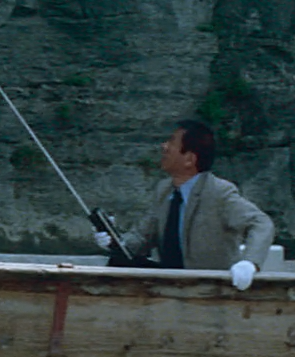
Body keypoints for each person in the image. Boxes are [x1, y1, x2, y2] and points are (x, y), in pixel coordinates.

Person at [95, 119, 275, 290]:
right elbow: (142, 239)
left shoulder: (219, 192)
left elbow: (261, 223)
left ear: (189, 159)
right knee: (118, 262)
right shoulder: (164, 190)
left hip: (208, 285)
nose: (164, 147)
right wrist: (114, 241)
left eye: (172, 143)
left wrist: (249, 263)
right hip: (169, 279)